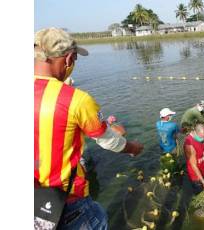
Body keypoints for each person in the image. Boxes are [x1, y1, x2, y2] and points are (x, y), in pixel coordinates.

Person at [34, 27, 144, 229]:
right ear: (68, 59)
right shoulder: (76, 99)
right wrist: (133, 148)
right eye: (75, 59)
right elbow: (109, 140)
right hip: (69, 202)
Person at [184, 124, 204, 194]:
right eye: (201, 137)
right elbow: (193, 165)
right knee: (200, 192)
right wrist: (203, 182)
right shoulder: (189, 145)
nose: (203, 139)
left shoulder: (202, 137)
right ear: (195, 132)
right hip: (196, 176)